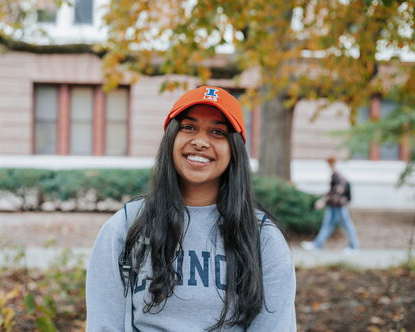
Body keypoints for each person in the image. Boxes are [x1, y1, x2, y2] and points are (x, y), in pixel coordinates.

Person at [86, 86, 296, 331]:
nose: (200, 142)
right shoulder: (127, 225)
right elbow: (103, 324)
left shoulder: (263, 237)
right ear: (171, 138)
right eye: (189, 127)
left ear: (234, 150)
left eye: (218, 132)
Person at [301, 157, 359, 252]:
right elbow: (333, 191)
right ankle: (317, 245)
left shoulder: (338, 176)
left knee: (347, 225)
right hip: (333, 205)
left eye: (330, 164)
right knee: (327, 225)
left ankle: (354, 247)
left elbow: (336, 192)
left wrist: (323, 201)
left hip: (339, 206)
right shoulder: (335, 175)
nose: (329, 166)